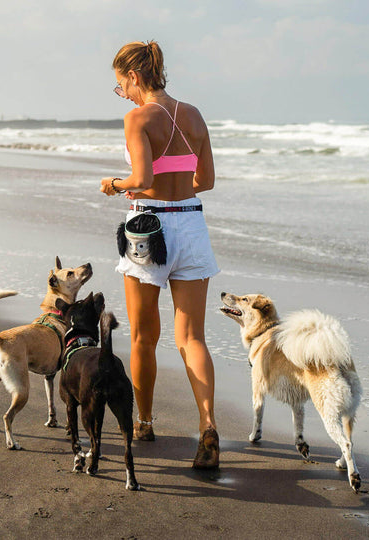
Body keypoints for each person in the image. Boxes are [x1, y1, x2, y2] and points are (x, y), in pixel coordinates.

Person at [100, 40, 220, 469]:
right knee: (192, 338)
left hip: (148, 228)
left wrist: (116, 183)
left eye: (121, 85)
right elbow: (205, 181)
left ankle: (145, 422)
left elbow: (142, 176)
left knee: (142, 336)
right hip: (190, 223)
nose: (123, 94)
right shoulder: (193, 114)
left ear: (134, 76)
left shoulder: (138, 118)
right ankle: (207, 423)